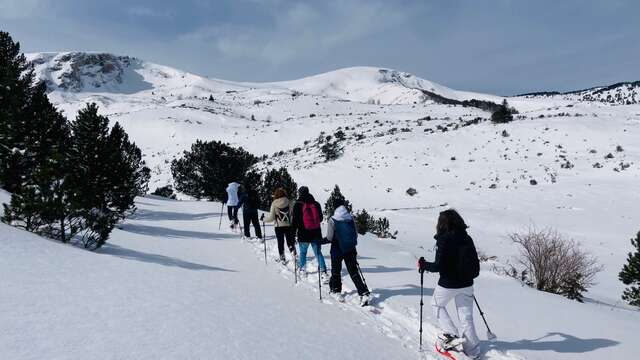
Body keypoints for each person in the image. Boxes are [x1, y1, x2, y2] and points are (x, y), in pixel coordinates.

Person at [417, 209, 481, 359]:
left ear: (442, 224)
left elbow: (438, 266)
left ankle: (450, 334)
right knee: (466, 317)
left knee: (436, 304)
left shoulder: (444, 239)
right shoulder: (467, 238)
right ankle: (472, 350)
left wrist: (423, 264)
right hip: (467, 283)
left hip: (448, 283)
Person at [324, 198, 371, 306]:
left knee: (336, 270)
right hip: (350, 248)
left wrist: (321, 241)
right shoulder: (350, 218)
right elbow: (355, 234)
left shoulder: (333, 219)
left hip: (337, 249)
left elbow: (329, 237)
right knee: (353, 271)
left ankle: (336, 290)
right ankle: (363, 292)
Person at [292, 186, 329, 283]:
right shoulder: (316, 204)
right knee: (318, 253)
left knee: (303, 252)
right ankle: (324, 272)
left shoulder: (297, 205)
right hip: (316, 233)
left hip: (303, 233)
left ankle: (303, 269)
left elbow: (294, 222)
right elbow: (320, 219)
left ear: (299, 193)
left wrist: (293, 233)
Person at [262, 188, 296, 263]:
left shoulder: (274, 203)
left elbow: (271, 218)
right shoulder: (289, 202)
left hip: (278, 226)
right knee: (290, 242)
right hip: (288, 225)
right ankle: (293, 254)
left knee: (280, 242)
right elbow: (292, 214)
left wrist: (264, 219)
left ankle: (282, 258)